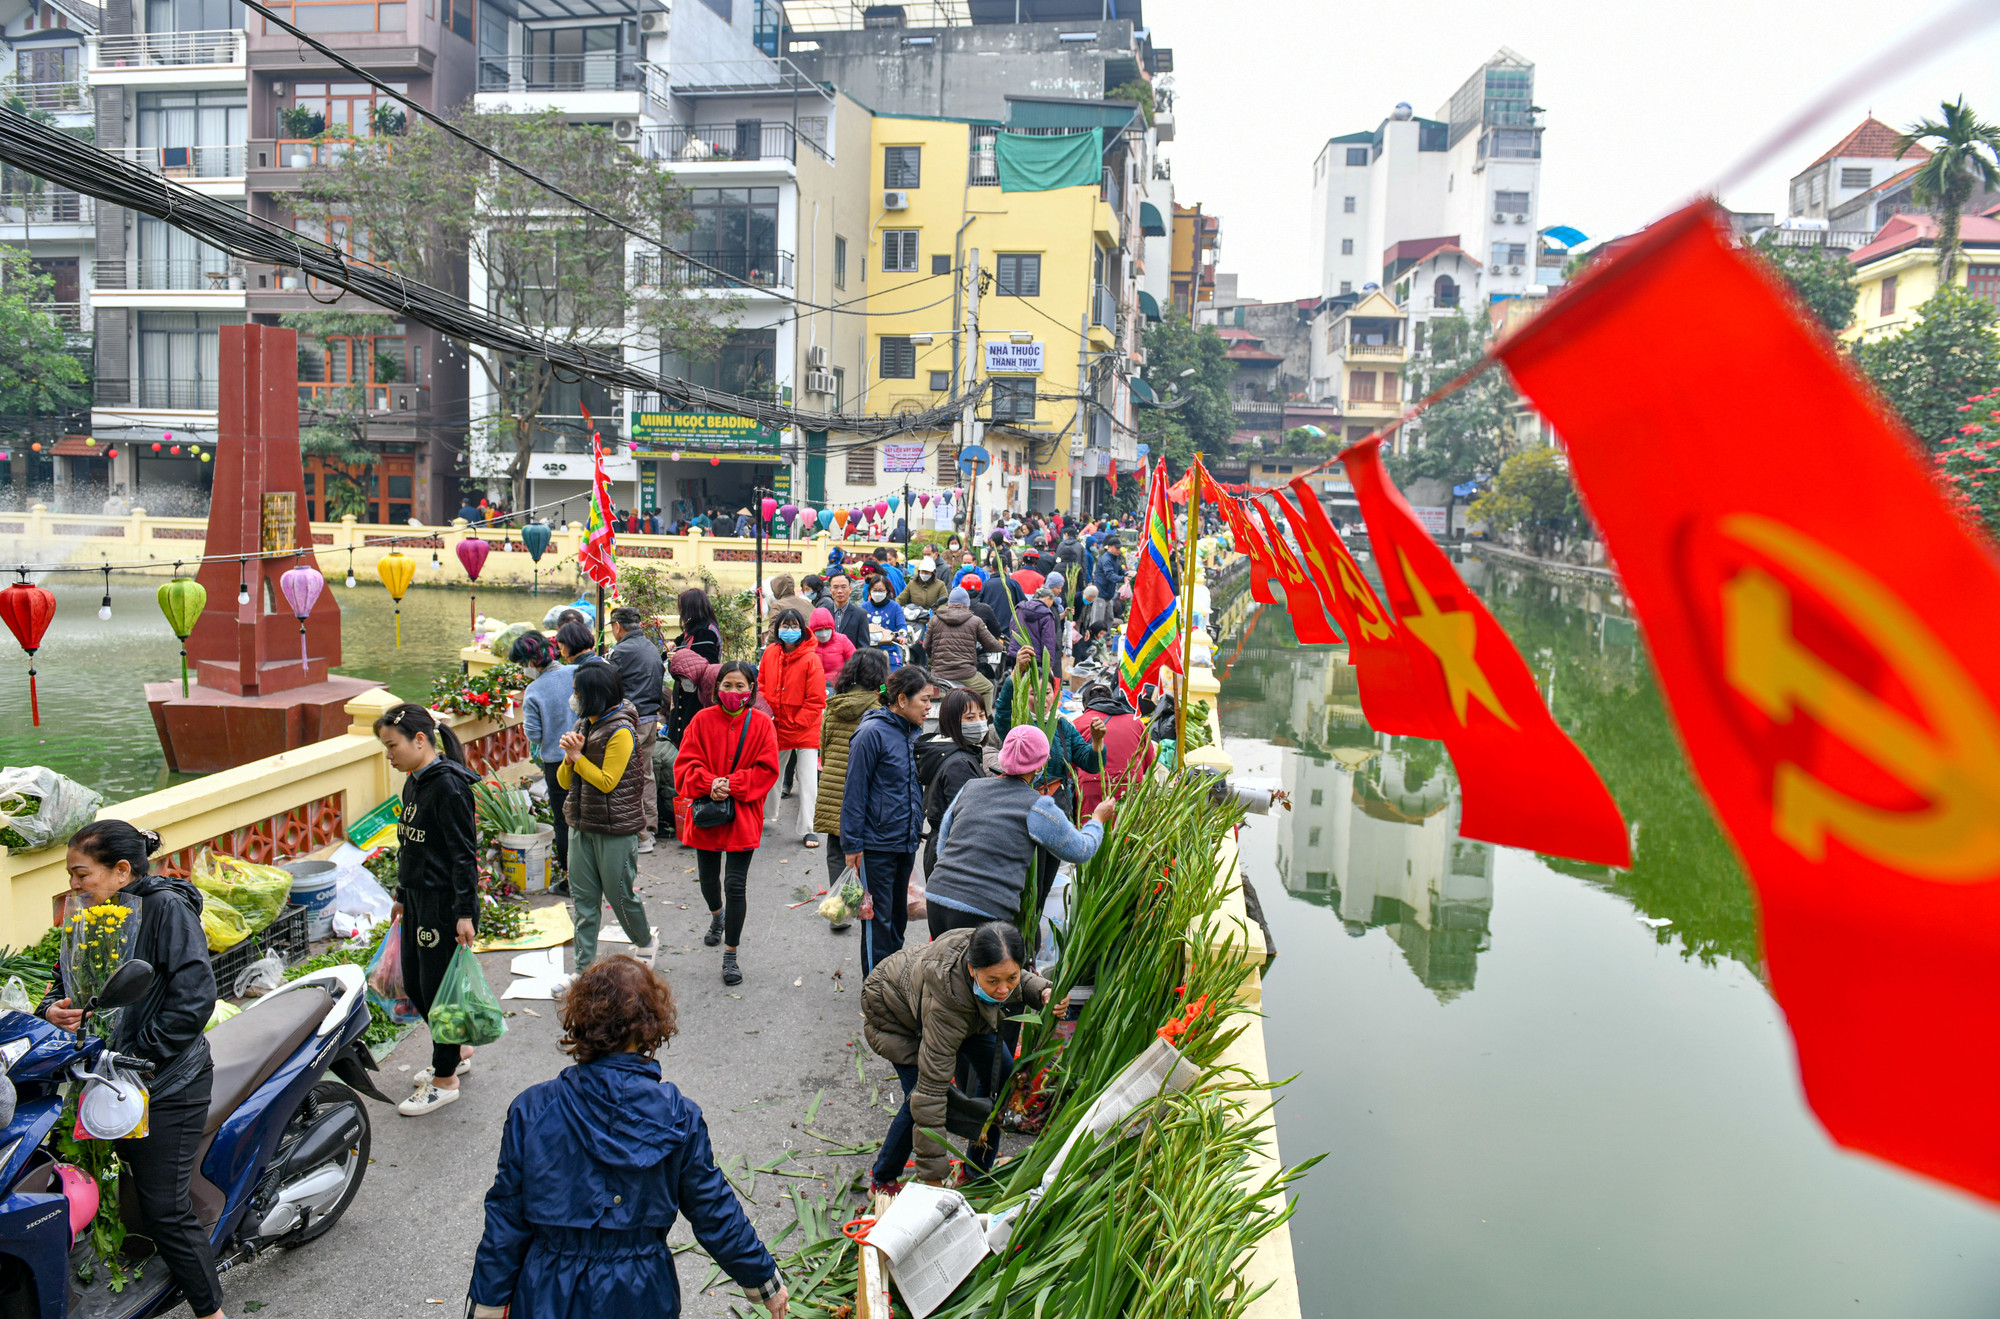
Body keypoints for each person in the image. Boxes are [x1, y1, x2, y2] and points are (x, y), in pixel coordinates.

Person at [469, 956, 789, 1319]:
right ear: (650, 1026)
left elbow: (506, 1219)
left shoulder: (531, 1109)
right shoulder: (677, 1115)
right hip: (639, 1292)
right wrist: (763, 1280)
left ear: (581, 1020)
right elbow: (711, 1208)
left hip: (548, 1291)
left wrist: (487, 1305)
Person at [42, 821, 224, 1319]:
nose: (74, 886)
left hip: (166, 1079)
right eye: (71, 876)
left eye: (81, 874)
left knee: (165, 1209)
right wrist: (52, 1009)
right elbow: (69, 979)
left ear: (122, 871)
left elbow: (194, 998)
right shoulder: (91, 913)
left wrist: (140, 1055)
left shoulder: (165, 910)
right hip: (108, 1077)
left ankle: (212, 1312)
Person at [862, 922, 1052, 1194]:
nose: (1003, 990)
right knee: (917, 1097)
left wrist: (1041, 990)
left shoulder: (988, 958)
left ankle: (975, 1172)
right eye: (993, 981)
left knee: (1001, 1073)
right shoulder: (946, 1009)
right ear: (972, 970)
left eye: (1009, 979)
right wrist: (934, 1182)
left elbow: (1012, 975)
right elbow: (930, 1096)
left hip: (963, 1011)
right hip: (895, 1015)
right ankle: (882, 1180)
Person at [374, 703, 483, 1116]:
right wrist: (401, 894)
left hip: (443, 906)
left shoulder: (449, 787)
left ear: (420, 740)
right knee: (417, 985)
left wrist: (465, 913)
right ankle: (455, 1050)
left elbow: (462, 855)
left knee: (437, 992)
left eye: (392, 745)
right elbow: (411, 846)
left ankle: (445, 1078)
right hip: (417, 899)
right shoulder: (414, 783)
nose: (389, 755)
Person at [925, 725, 1111, 936]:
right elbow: (1080, 850)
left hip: (937, 897)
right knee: (980, 969)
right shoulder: (1037, 805)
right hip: (984, 909)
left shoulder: (971, 787)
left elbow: (943, 841)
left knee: (947, 966)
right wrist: (1097, 819)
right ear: (1041, 763)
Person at [674, 661, 780, 985]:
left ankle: (731, 954)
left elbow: (767, 770)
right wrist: (709, 783)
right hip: (707, 814)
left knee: (735, 885)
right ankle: (717, 916)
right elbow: (684, 766)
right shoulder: (701, 721)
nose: (733, 692)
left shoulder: (762, 725)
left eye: (740, 686)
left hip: (743, 815)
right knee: (708, 882)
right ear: (716, 688)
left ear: (751, 690)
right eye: (727, 685)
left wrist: (731, 785)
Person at [560, 663, 655, 971]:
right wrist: (568, 758)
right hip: (581, 824)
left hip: (615, 829)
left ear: (594, 694)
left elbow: (606, 782)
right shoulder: (583, 725)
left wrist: (577, 757)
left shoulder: (622, 730)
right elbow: (564, 782)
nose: (573, 697)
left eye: (577, 691)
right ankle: (583, 970)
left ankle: (645, 942)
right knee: (585, 903)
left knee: (621, 898)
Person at [841, 665, 934, 975]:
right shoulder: (871, 733)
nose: (929, 707)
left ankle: (891, 981)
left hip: (905, 841)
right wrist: (852, 844)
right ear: (903, 700)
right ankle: (875, 992)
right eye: (925, 700)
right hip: (875, 845)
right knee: (877, 921)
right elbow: (854, 791)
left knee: (897, 918)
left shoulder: (913, 733)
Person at [812, 648, 889, 895]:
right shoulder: (879, 709)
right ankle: (866, 901)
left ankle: (841, 907)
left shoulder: (834, 704)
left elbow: (822, 748)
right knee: (866, 848)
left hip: (834, 788)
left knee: (837, 849)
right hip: (865, 790)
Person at [513, 632, 578, 883]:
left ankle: (570, 878)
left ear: (530, 662)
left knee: (563, 821)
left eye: (522, 664)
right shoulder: (575, 673)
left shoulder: (534, 690)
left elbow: (535, 734)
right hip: (585, 754)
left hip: (556, 761)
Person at [759, 609, 826, 847]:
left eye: (793, 625)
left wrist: (795, 722)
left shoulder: (811, 659)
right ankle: (765, 815)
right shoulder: (769, 653)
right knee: (771, 773)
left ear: (801, 628)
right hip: (775, 725)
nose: (789, 630)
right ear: (777, 629)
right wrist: (767, 714)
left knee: (808, 779)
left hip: (804, 727)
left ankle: (809, 828)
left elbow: (816, 700)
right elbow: (762, 685)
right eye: (784, 626)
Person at [608, 606, 666, 856]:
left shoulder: (621, 651)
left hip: (632, 719)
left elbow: (608, 685)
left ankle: (641, 834)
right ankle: (650, 826)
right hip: (651, 717)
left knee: (630, 775)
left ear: (617, 627)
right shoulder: (650, 646)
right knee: (646, 772)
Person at [916, 688, 988, 878]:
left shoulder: (947, 752)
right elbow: (967, 819)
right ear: (952, 722)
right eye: (970, 718)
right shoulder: (959, 764)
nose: (980, 722)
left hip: (942, 851)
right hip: (954, 856)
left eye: (982, 715)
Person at [1072, 679, 1153, 814]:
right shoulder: (1136, 722)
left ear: (1085, 705)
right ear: (1112, 699)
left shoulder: (1077, 723)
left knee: (1092, 830)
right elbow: (1149, 761)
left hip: (1092, 786)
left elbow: (1070, 766)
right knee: (1126, 831)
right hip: (1129, 784)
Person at [923, 586, 1002, 704]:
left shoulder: (934, 620)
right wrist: (1002, 647)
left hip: (939, 674)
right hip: (966, 674)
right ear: (967, 604)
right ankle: (984, 718)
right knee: (988, 688)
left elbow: (926, 646)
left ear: (949, 603)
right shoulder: (975, 621)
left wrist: (936, 659)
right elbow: (991, 644)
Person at [669, 588, 723, 748]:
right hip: (685, 696)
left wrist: (679, 657)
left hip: (697, 697)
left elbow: (707, 665)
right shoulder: (692, 631)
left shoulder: (707, 633)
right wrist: (672, 647)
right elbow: (678, 644)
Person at [861, 576, 910, 667]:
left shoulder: (895, 607)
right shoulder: (864, 607)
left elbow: (902, 626)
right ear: (870, 591)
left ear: (887, 591)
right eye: (875, 590)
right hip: (868, 651)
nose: (877, 593)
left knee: (894, 675)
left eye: (881, 590)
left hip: (890, 649)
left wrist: (902, 635)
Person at [1014, 583, 1063, 672]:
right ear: (1048, 598)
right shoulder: (1047, 614)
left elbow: (1013, 629)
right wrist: (1049, 663)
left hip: (1017, 654)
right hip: (1035, 658)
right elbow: (1048, 640)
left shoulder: (1019, 608)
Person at [809, 605, 853, 689]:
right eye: (819, 630)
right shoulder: (807, 643)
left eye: (826, 629)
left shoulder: (842, 640)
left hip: (838, 685)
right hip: (813, 686)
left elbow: (855, 660)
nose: (824, 633)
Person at [826, 573, 871, 651]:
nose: (839, 591)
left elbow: (863, 646)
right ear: (830, 590)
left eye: (843, 587)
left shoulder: (860, 614)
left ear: (850, 589)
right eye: (835, 587)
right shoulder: (824, 612)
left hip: (851, 661)